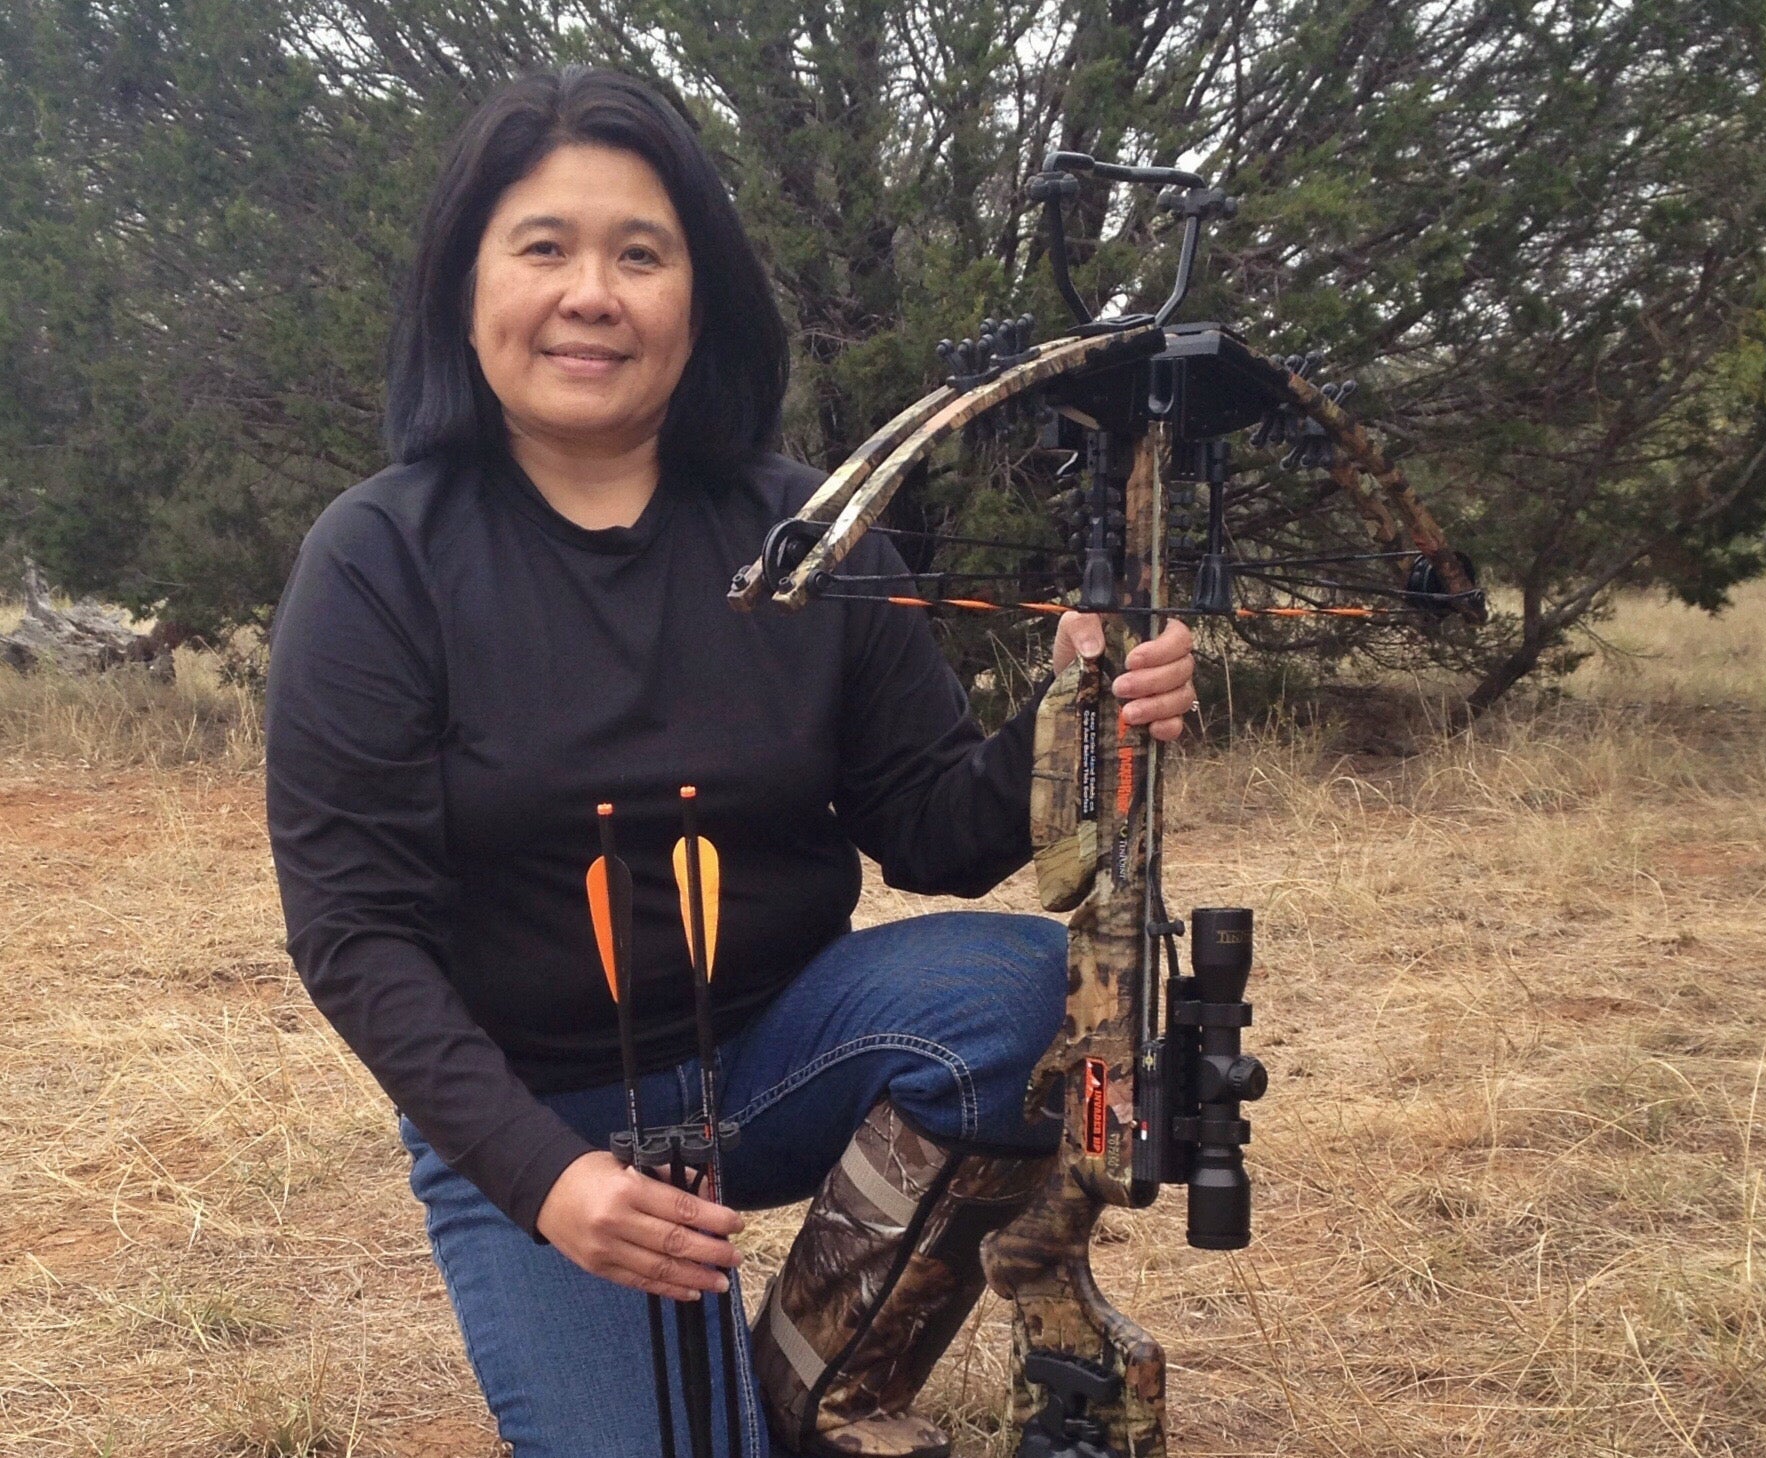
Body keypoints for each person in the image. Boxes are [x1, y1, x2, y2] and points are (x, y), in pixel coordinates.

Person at [265, 66, 1197, 1458]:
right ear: (467, 289)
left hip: (775, 1054)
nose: (593, 293)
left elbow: (935, 825)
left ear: (698, 301)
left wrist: (1077, 706)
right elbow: (356, 935)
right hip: (541, 1115)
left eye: (641, 253)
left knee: (1030, 994)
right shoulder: (377, 558)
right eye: (544, 247)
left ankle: (825, 1361)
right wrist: (549, 1179)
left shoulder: (800, 527)